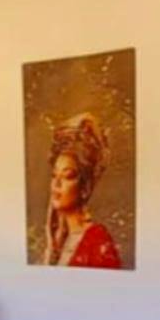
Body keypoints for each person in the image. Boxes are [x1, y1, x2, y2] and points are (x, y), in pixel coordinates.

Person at [45, 112, 122, 269]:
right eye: (54, 175)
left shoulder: (97, 240)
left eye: (68, 176)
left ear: (84, 188)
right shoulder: (59, 241)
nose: (57, 184)